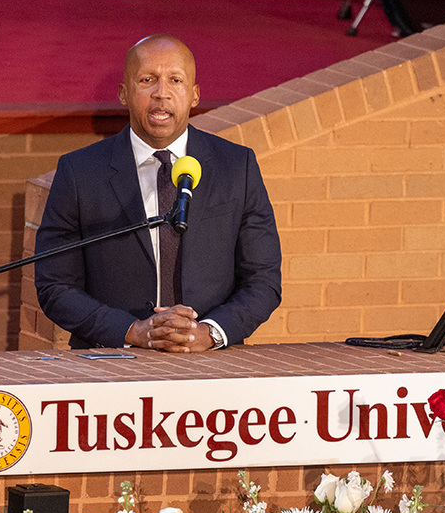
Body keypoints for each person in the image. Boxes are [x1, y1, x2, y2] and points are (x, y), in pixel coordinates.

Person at [33, 35, 282, 352]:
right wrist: (132, 331)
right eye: (147, 80)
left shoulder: (236, 166)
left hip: (212, 364)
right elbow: (55, 285)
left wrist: (210, 332)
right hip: (111, 363)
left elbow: (263, 280)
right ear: (124, 94)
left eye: (175, 80)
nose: (161, 93)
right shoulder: (80, 172)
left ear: (194, 95)